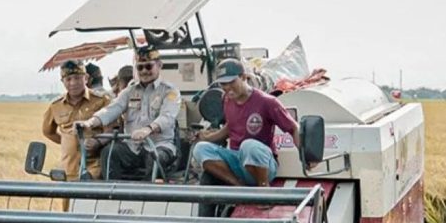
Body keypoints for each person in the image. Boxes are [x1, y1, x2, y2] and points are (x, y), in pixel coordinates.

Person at [76, 45, 181, 180]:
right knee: (109, 153)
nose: (144, 71)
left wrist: (148, 129)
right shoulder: (129, 91)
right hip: (132, 147)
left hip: (159, 146)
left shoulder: (170, 91)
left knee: (155, 158)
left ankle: (148, 192)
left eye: (148, 66)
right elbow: (112, 109)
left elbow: (167, 117)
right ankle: (112, 191)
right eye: (140, 67)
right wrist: (90, 123)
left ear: (159, 65)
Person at [192, 58, 300, 187]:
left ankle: (263, 189)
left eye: (231, 82)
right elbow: (230, 127)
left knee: (249, 146)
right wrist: (206, 137)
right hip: (237, 161)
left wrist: (308, 157)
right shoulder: (227, 99)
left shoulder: (267, 102)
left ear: (243, 77)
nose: (227, 87)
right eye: (223, 84)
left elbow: (294, 128)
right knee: (200, 148)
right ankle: (238, 185)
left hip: (262, 163)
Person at [42, 60, 111, 180]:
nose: (73, 83)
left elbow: (111, 130)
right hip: (68, 170)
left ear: (86, 78)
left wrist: (97, 142)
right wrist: (68, 142)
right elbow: (48, 132)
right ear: (62, 81)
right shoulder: (55, 106)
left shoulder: (102, 101)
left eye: (77, 78)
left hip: (95, 169)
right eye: (68, 79)